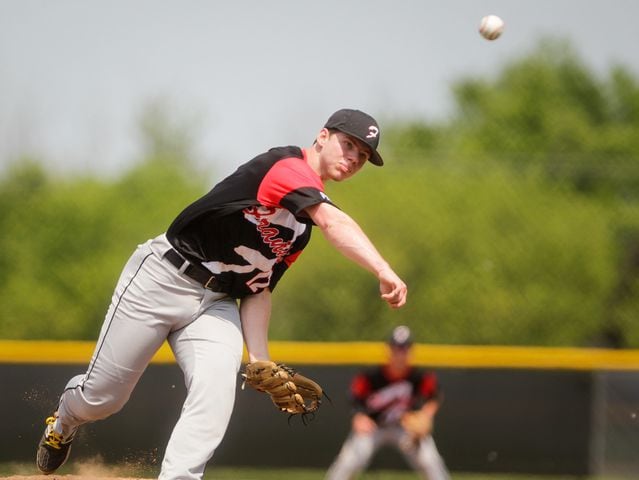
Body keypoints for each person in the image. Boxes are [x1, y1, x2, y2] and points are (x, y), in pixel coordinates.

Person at [35, 108, 408, 480]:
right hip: (163, 277)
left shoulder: (298, 231)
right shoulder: (286, 167)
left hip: (216, 303)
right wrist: (382, 268)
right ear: (323, 136)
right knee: (103, 399)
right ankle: (64, 421)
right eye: (348, 145)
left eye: (362, 156)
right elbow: (333, 220)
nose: (353, 159)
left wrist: (260, 357)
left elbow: (259, 288)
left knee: (216, 388)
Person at [325, 325, 450, 480]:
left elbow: (435, 396)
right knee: (350, 461)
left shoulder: (419, 377)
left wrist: (425, 415)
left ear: (411, 351)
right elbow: (353, 397)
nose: (400, 353)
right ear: (388, 349)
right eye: (396, 348)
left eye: (404, 348)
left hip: (405, 428)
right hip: (374, 427)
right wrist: (358, 416)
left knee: (429, 461)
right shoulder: (372, 376)